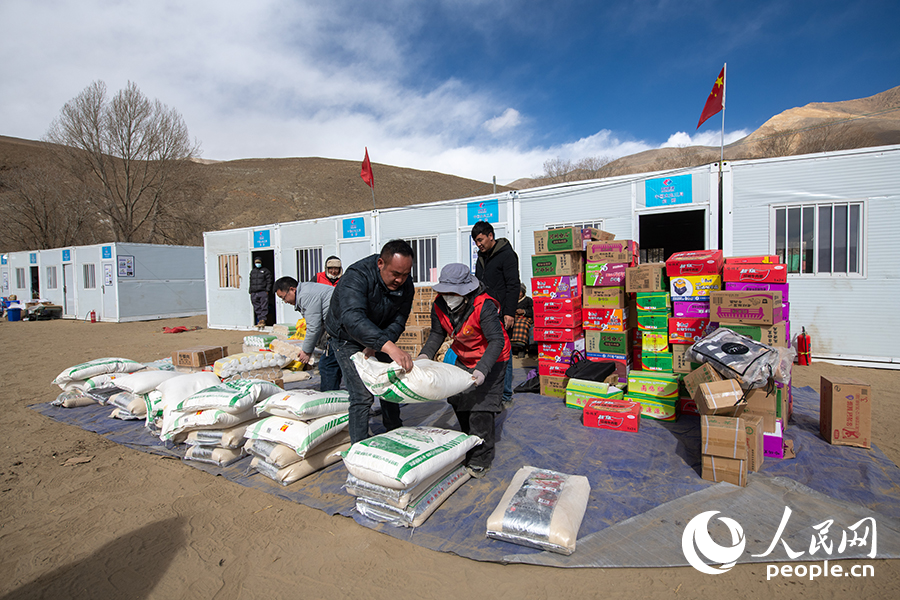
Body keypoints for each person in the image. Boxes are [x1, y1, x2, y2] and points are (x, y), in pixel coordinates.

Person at [417, 263, 510, 479]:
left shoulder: (483, 306)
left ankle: (480, 458)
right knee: (458, 400)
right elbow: (436, 334)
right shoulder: (439, 305)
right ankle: (469, 441)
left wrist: (482, 370)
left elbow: (496, 341)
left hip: (492, 358)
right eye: (445, 292)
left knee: (480, 407)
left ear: (466, 291)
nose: (448, 297)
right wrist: (424, 356)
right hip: (464, 356)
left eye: (453, 292)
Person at [325, 240, 416, 443]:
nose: (400, 280)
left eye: (405, 274)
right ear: (380, 264)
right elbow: (352, 318)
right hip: (345, 336)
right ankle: (359, 448)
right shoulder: (357, 276)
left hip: (381, 333)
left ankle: (395, 430)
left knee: (389, 382)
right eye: (395, 274)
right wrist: (387, 346)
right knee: (362, 395)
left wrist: (379, 344)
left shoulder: (406, 285)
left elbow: (398, 321)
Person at [471, 221, 520, 405]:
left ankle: (505, 394)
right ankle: (491, 389)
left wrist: (509, 313)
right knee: (488, 350)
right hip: (485, 311)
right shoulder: (481, 258)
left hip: (502, 313)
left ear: (490, 235)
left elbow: (513, 285)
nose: (479, 244)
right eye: (476, 242)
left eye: (481, 240)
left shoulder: (507, 255)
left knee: (504, 352)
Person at [274, 276, 342, 392]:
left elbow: (314, 327)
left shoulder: (306, 296)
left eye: (284, 297)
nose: (285, 301)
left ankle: (328, 398)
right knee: (333, 364)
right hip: (340, 327)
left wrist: (306, 351)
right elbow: (319, 324)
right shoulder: (307, 290)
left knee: (327, 366)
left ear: (292, 289)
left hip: (342, 330)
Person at [510, 283, 534, 359]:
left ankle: (521, 347)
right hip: (515, 317)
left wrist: (523, 311)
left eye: (520, 292)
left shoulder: (528, 300)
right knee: (510, 324)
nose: (519, 294)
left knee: (521, 324)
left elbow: (532, 312)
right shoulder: (512, 300)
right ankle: (513, 346)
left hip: (525, 318)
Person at [249, 258, 273, 327]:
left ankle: (263, 320)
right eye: (256, 262)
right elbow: (251, 281)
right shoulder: (253, 271)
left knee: (264, 306)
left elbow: (269, 281)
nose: (257, 264)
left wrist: (267, 290)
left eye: (259, 262)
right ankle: (260, 320)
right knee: (256, 307)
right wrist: (250, 291)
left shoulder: (265, 271)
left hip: (262, 291)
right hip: (254, 292)